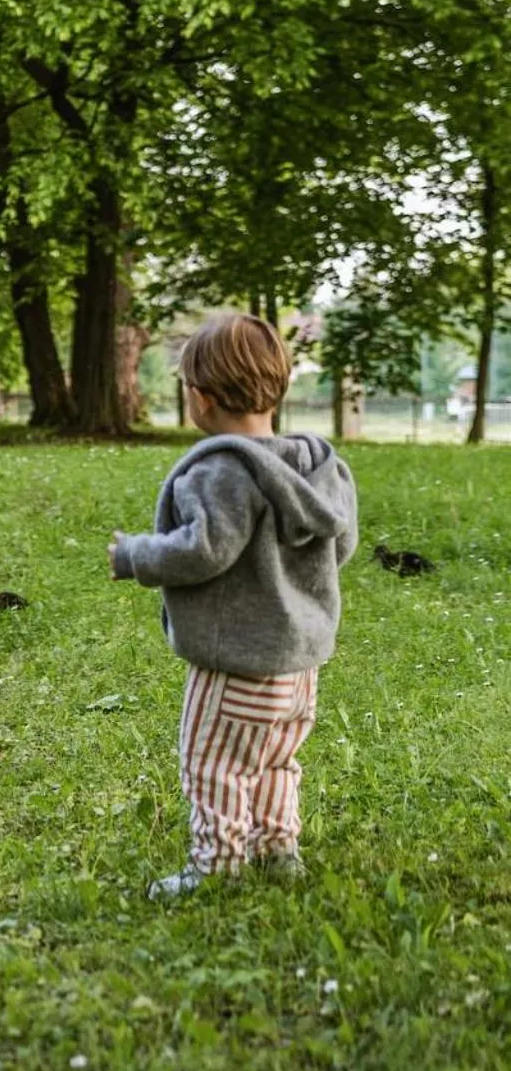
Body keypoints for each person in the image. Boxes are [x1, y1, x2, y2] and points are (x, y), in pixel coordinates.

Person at [109, 313, 359, 899]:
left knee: (213, 764)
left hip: (238, 664)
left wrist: (135, 555)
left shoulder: (223, 469)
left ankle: (217, 865)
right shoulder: (320, 466)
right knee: (275, 761)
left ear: (202, 397)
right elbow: (339, 545)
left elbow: (203, 550)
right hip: (300, 667)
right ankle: (277, 851)